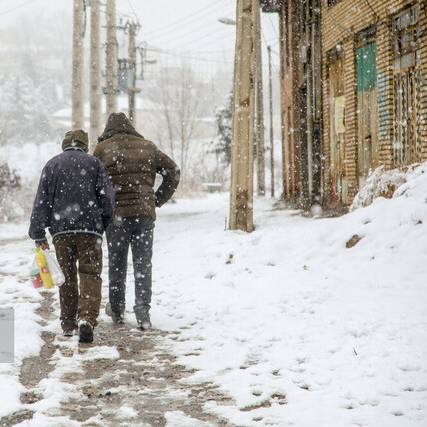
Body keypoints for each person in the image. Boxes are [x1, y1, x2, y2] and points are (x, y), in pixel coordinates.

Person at [94, 113, 180, 330]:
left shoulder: (103, 149)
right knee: (143, 264)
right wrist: (157, 199)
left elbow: (93, 182)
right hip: (143, 216)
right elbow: (173, 170)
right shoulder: (147, 147)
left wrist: (102, 208)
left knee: (117, 263)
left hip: (116, 218)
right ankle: (142, 312)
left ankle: (117, 309)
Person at [29, 130, 114, 343]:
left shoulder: (52, 165)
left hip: (61, 231)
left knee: (65, 276)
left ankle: (68, 322)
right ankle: (86, 318)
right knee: (90, 274)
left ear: (64, 145)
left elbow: (42, 201)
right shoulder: (94, 164)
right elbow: (107, 199)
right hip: (90, 231)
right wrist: (102, 224)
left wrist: (38, 232)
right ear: (85, 145)